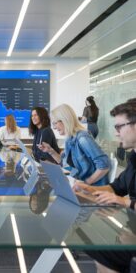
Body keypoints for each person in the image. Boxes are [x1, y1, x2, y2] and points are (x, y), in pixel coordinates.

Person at [74, 100, 136, 273]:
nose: (116, 134)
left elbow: (121, 198)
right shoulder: (133, 159)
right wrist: (90, 189)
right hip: (131, 229)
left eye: (119, 127)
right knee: (93, 242)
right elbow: (116, 187)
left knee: (99, 246)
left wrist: (124, 202)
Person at [38, 104, 109, 185]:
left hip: (92, 189)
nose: (54, 127)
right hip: (78, 182)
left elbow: (104, 165)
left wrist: (86, 183)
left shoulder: (83, 138)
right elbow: (66, 165)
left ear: (64, 120)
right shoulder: (70, 139)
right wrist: (50, 151)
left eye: (55, 123)